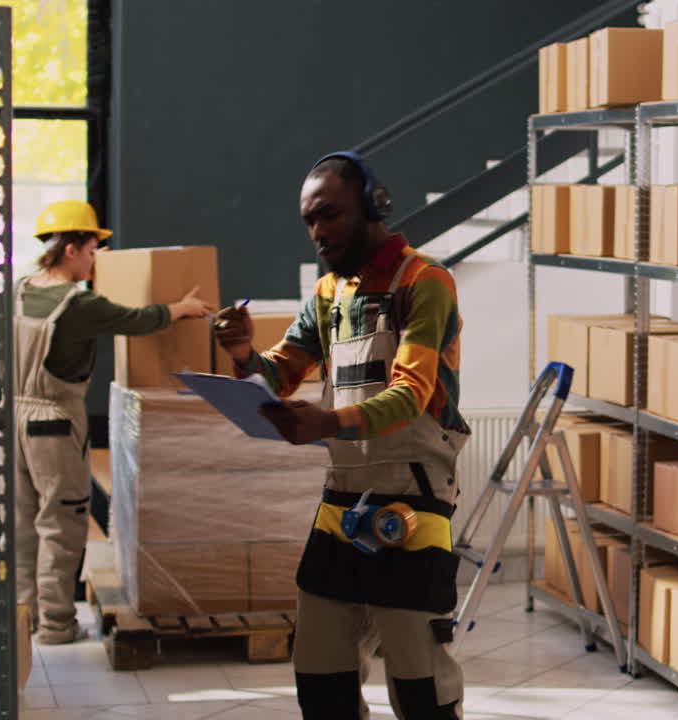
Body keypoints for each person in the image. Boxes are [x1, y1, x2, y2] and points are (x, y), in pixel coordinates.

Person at [214, 152, 471, 720]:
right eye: (309, 220)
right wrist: (241, 356)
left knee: (420, 683)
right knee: (320, 672)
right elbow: (280, 373)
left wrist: (327, 422)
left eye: (328, 215)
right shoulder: (330, 295)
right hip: (343, 494)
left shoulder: (425, 283)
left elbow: (410, 395)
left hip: (414, 495)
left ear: (373, 206)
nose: (317, 232)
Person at [14, 200, 215, 645]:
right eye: (91, 249)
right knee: (61, 523)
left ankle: (22, 618)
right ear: (71, 250)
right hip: (52, 423)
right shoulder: (78, 303)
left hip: (12, 421)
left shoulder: (21, 288)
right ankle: (56, 624)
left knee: (23, 521)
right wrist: (180, 308)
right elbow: (137, 320)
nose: (95, 258)